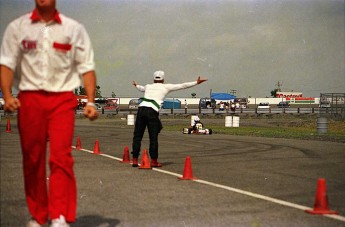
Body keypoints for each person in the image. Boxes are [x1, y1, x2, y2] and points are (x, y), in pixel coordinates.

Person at [0, 0, 98, 226]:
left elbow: (87, 67)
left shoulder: (73, 29)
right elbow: (6, 64)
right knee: (32, 159)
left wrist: (91, 101)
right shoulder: (18, 27)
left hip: (62, 99)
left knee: (60, 157)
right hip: (30, 98)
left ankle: (59, 215)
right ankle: (39, 214)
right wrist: (7, 96)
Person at [131, 70, 207, 167]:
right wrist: (196, 82)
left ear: (153, 79)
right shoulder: (166, 86)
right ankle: (154, 161)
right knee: (153, 137)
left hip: (141, 109)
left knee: (137, 136)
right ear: (163, 79)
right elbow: (183, 85)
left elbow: (141, 88)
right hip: (152, 111)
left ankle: (134, 159)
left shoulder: (148, 86)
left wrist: (136, 85)